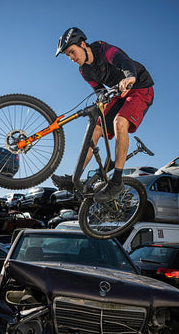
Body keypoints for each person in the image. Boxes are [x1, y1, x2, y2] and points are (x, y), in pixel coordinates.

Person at [51, 27, 154, 203]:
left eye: (72, 52)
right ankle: (75, 177)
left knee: (119, 122)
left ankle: (117, 181)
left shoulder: (104, 50)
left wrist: (129, 77)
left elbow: (124, 62)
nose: (72, 58)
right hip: (119, 93)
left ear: (83, 44)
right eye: (68, 55)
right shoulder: (84, 71)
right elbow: (99, 90)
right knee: (95, 129)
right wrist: (102, 100)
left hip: (139, 87)